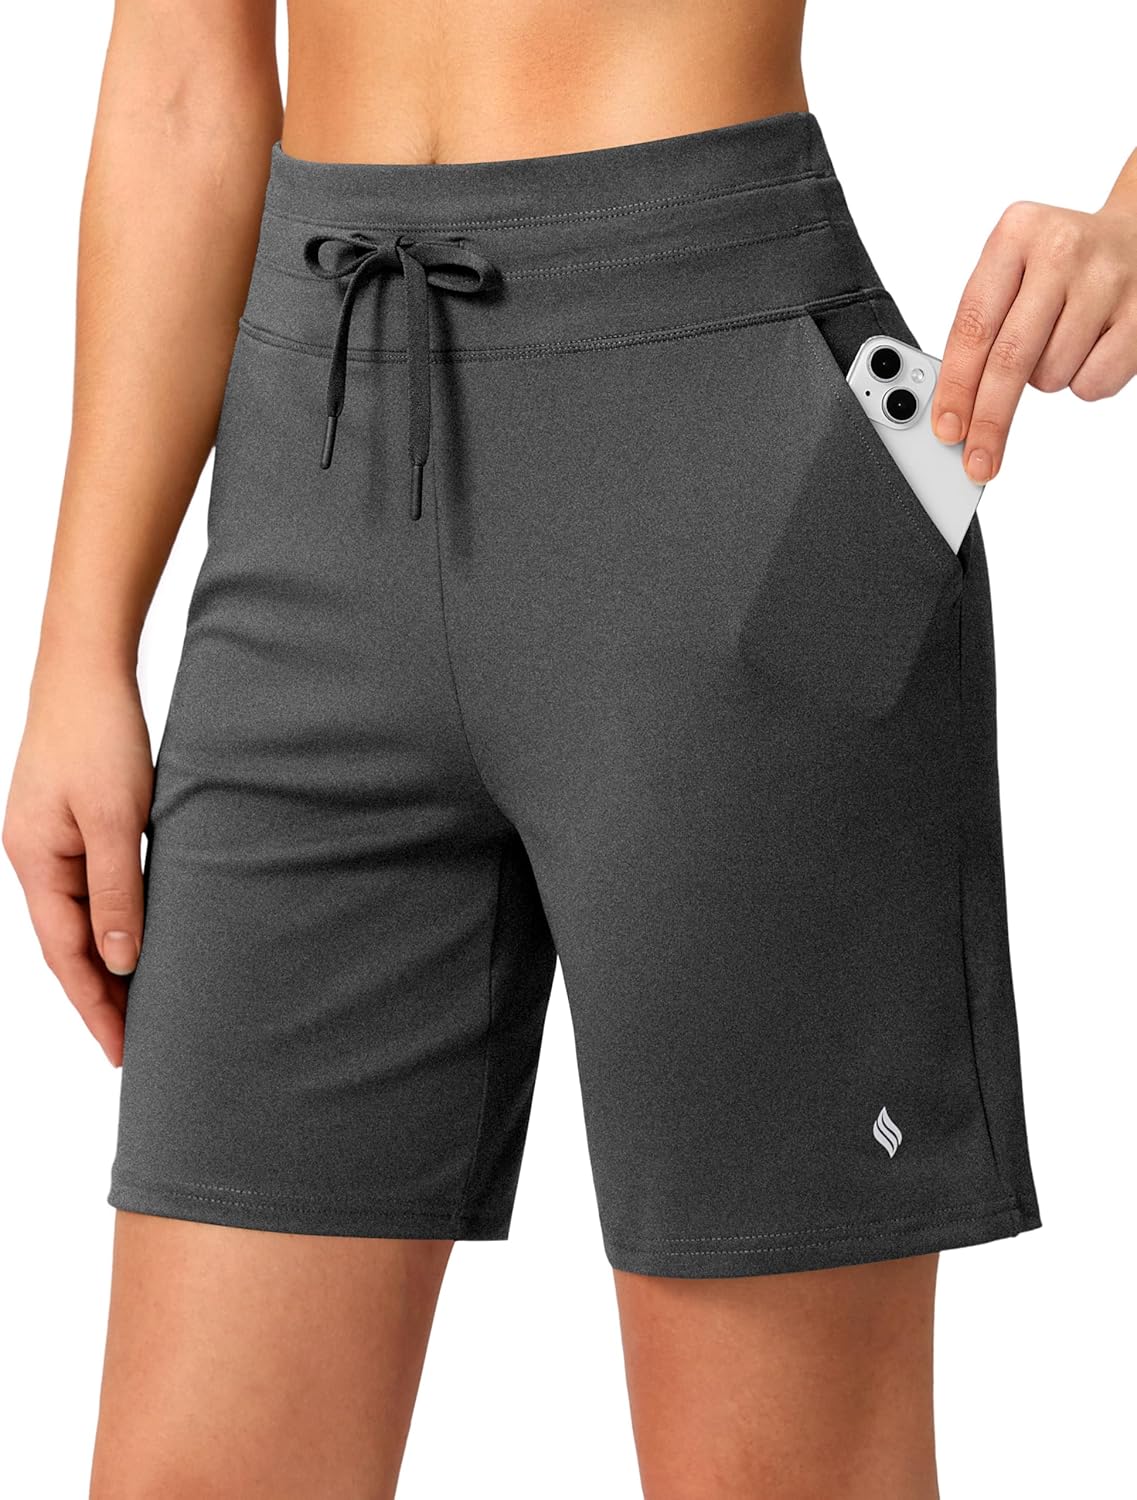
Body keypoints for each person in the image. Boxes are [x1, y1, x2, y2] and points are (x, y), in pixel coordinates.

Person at [4, 0, 1134, 1494]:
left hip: (723, 438)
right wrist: (81, 643)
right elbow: (176, 92)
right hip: (308, 485)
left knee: (779, 1477)